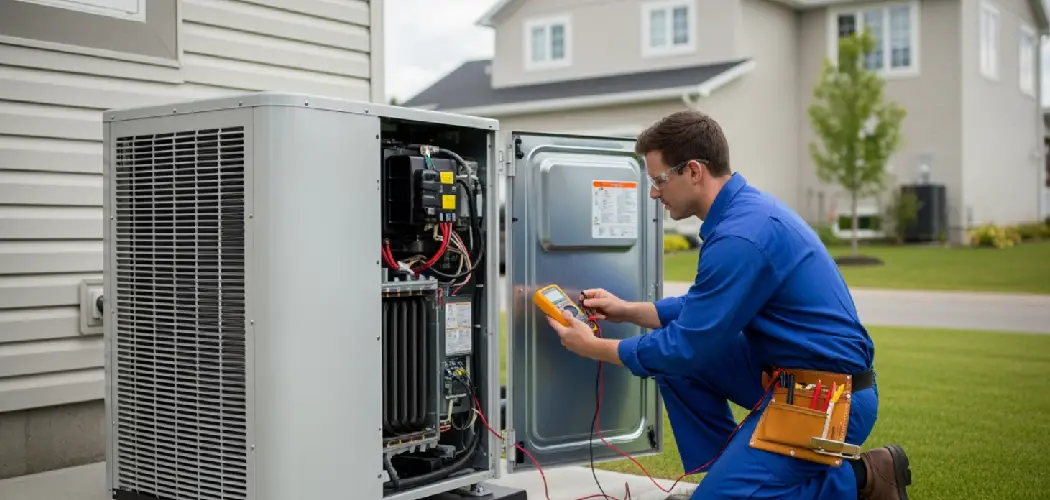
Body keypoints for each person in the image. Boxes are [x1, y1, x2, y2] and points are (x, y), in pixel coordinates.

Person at [545, 110, 912, 500]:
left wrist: (594, 347)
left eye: (659, 180)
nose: (653, 192)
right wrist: (629, 310)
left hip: (829, 397)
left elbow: (686, 347)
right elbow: (707, 305)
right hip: (786, 375)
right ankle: (731, 474)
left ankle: (866, 477)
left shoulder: (741, 235)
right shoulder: (742, 215)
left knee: (680, 366)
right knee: (681, 371)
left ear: (693, 171)